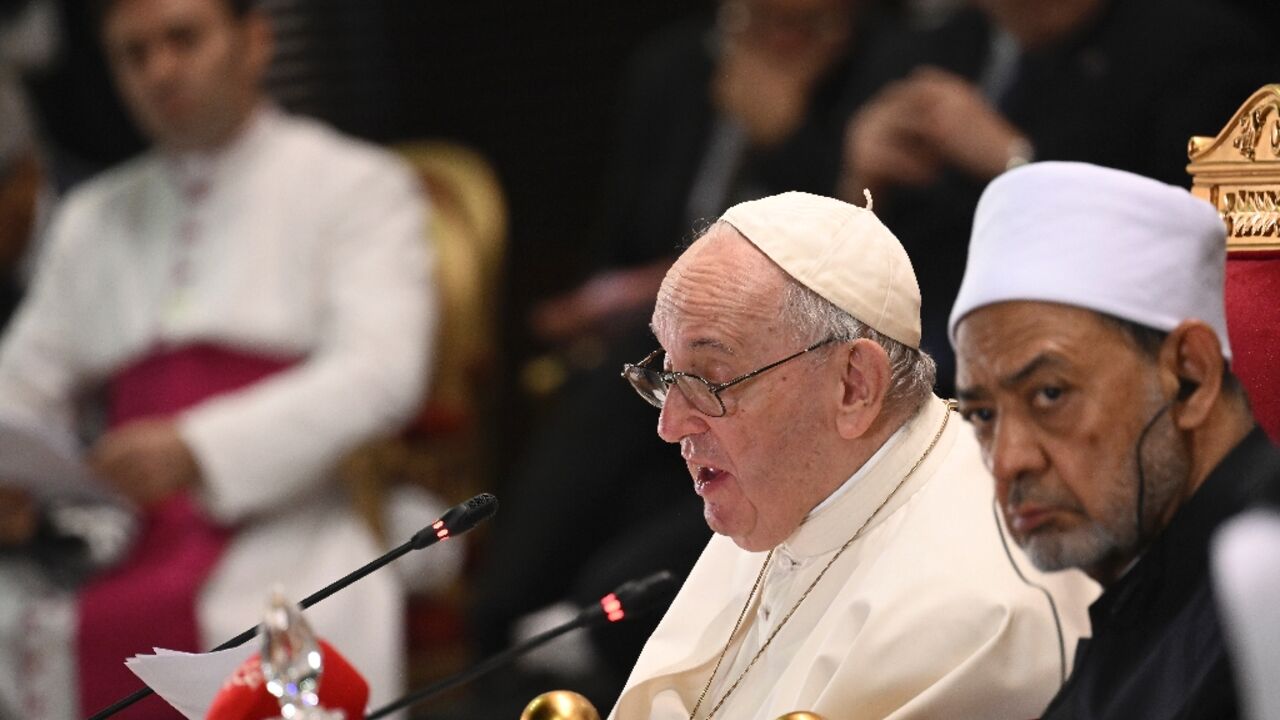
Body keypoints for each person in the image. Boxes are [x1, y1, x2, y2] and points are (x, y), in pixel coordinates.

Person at [0, 0, 433, 716]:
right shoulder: (92, 217)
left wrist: (198, 448)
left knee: (292, 630)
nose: (159, 70)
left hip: (288, 518)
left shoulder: (358, 184)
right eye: (134, 54)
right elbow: (22, 380)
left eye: (183, 39)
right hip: (120, 528)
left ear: (254, 41)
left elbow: (381, 372)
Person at [610, 191, 1095, 719]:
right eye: (668, 373)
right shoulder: (797, 484)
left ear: (854, 386)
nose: (670, 426)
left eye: (709, 380)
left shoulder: (980, 615)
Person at [949, 161, 1280, 719]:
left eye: (1050, 394)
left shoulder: (1263, 581)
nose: (1008, 461)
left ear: (1190, 376)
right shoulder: (1139, 592)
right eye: (982, 414)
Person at [839, 0, 1276, 395]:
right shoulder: (930, 49)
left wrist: (1014, 160)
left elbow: (1204, 256)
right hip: (909, 371)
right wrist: (859, 183)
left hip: (1097, 377)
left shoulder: (1197, 48)